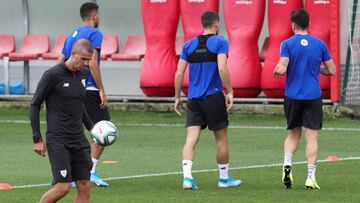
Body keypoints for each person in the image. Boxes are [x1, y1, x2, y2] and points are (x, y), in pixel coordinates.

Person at [174, 11, 241, 190]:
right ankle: (224, 179)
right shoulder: (220, 42)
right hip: (213, 97)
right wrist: (231, 91)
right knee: (221, 139)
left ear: (202, 25)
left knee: (191, 139)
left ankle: (187, 178)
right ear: (216, 25)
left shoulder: (188, 45)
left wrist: (177, 96)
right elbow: (222, 67)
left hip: (193, 99)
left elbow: (179, 72)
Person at [274, 8, 336, 189]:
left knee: (293, 133)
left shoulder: (286, 44)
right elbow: (331, 70)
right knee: (312, 137)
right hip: (313, 96)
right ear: (309, 24)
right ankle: (311, 178)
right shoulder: (320, 44)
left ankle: (287, 167)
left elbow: (283, 65)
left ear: (292, 25)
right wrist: (317, 68)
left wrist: (278, 70)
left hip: (292, 95)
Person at [30, 39, 94, 203]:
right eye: (83, 59)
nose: (86, 64)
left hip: (79, 140)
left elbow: (79, 105)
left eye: (89, 60)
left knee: (84, 185)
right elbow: (35, 104)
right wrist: (37, 138)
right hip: (58, 140)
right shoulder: (52, 75)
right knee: (62, 187)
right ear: (73, 54)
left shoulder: (84, 74)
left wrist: (92, 128)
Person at [57, 2, 110, 187]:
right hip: (90, 89)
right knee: (104, 129)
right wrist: (102, 90)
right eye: (99, 15)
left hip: (72, 87)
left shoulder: (72, 34)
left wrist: (59, 84)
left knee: (77, 130)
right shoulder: (95, 34)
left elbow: (60, 60)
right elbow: (93, 63)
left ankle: (70, 173)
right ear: (94, 16)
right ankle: (89, 172)